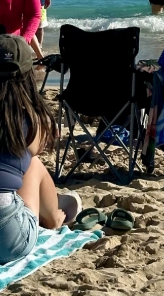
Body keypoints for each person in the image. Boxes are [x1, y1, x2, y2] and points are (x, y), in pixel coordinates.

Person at [0, 34, 80, 265]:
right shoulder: (30, 120)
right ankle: (53, 217)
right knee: (31, 164)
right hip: (8, 240)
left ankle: (53, 207)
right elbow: (37, 149)